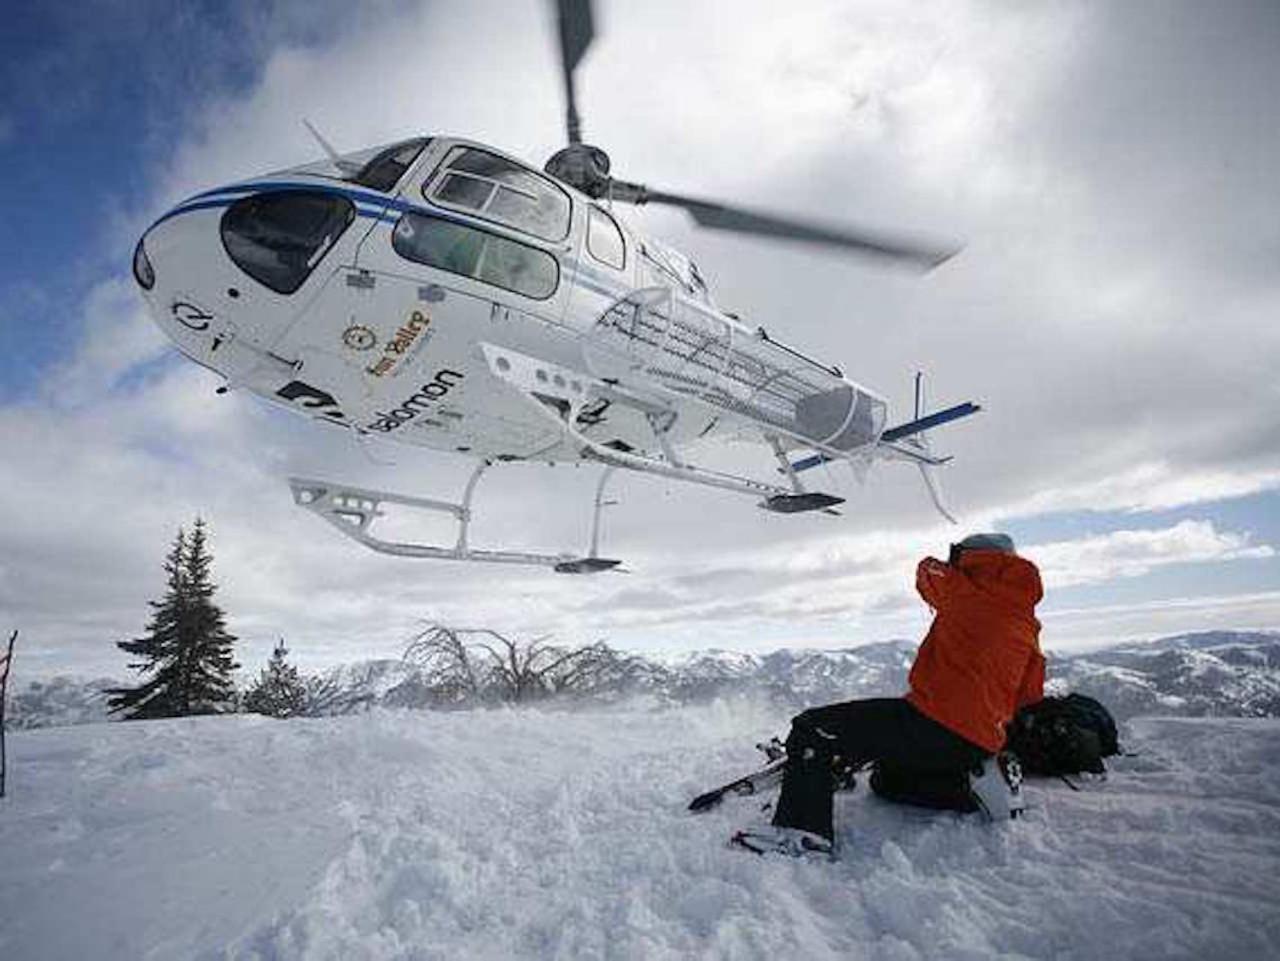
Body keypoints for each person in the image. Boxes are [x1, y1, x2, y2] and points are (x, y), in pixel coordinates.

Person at [733, 532, 1045, 857]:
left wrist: (957, 567)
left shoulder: (964, 592)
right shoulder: (1026, 623)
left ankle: (803, 833)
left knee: (812, 728)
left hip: (932, 721)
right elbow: (1029, 693)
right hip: (977, 742)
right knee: (887, 781)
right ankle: (971, 786)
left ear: (972, 558)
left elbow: (926, 572)